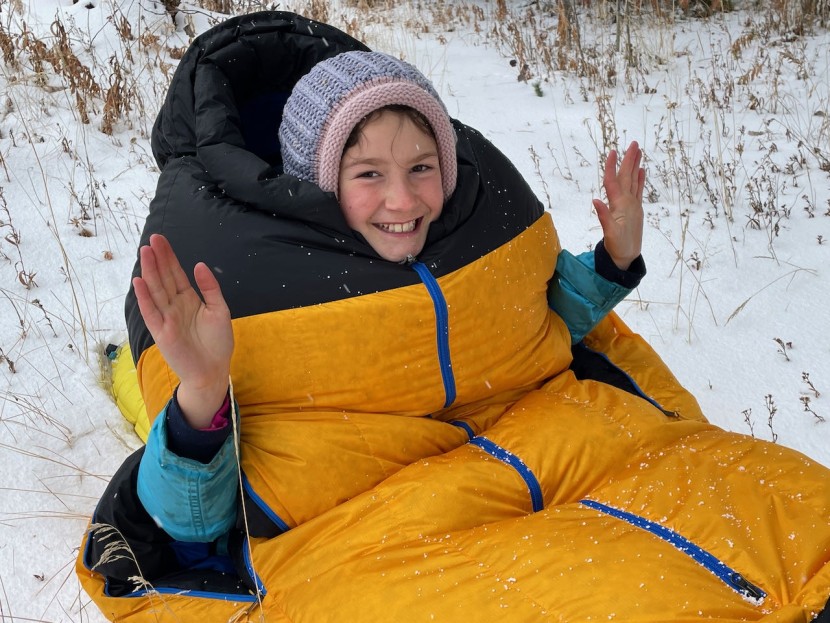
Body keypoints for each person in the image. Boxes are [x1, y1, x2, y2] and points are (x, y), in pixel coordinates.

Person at [79, 12, 830, 623]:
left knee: (792, 511)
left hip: (574, 449)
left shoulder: (465, 240)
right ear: (313, 183)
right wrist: (202, 388)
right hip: (387, 532)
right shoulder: (269, 291)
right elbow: (196, 525)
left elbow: (541, 324)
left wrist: (610, 261)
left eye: (421, 168)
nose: (403, 201)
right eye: (367, 174)